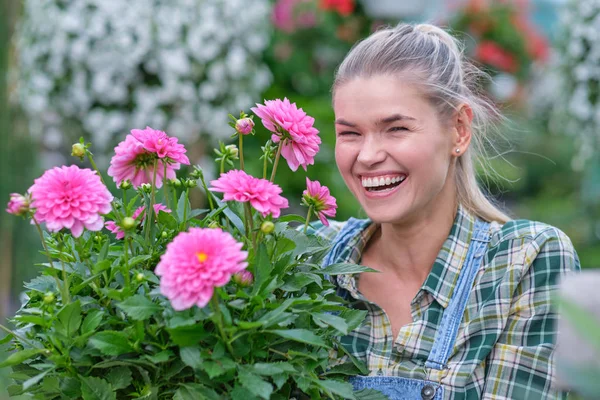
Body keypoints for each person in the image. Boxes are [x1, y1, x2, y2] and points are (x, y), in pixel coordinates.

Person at [311, 23, 580, 399]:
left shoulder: (525, 261)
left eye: (396, 128)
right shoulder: (312, 257)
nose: (367, 156)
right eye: (350, 133)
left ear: (458, 129)